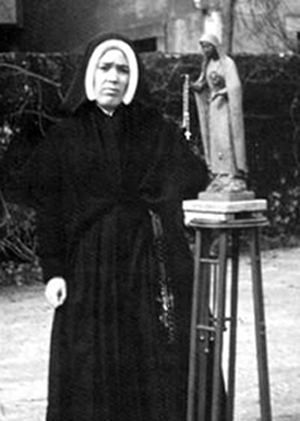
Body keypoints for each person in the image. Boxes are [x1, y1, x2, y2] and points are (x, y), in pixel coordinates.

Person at [15, 33, 210, 421]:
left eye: (123, 69)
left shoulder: (154, 127)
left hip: (148, 266)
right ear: (89, 74)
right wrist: (53, 271)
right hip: (91, 270)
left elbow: (193, 175)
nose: (114, 77)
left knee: (150, 361)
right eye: (105, 67)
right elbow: (50, 209)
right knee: (93, 365)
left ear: (133, 78)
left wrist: (158, 195)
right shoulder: (65, 136)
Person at [191, 33, 248, 193]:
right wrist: (197, 87)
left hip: (226, 109)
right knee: (215, 140)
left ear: (215, 46)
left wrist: (223, 92)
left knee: (226, 139)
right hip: (213, 108)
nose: (205, 50)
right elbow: (204, 83)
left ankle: (232, 174)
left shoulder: (228, 63)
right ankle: (219, 175)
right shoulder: (207, 65)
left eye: (208, 46)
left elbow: (235, 86)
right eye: (203, 47)